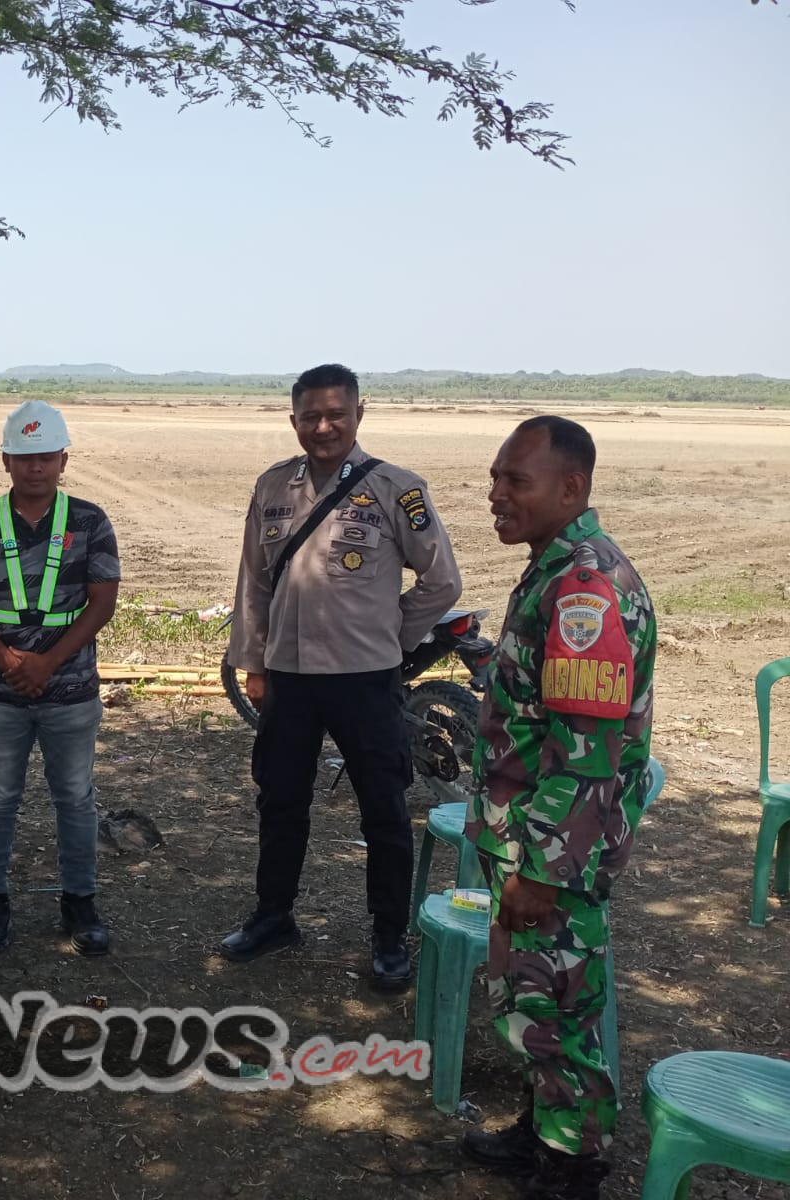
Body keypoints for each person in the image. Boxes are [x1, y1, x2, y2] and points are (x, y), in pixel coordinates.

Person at [460, 416, 656, 1200]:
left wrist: (538, 871)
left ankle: (571, 1170)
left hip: (553, 851)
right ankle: (543, 1130)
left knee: (561, 1008)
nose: (495, 495)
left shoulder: (584, 589)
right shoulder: (554, 566)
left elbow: (583, 759)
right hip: (533, 841)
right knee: (537, 1001)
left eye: (516, 481)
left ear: (570, 488)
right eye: (497, 477)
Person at [218, 363, 461, 989]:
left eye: (336, 414)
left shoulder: (395, 489)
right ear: (293, 419)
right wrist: (252, 663)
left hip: (365, 681)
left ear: (359, 414)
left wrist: (392, 639)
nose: (323, 427)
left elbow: (441, 582)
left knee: (382, 809)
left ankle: (388, 938)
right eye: (310, 416)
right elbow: (253, 583)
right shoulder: (273, 487)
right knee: (281, 801)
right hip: (289, 679)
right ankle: (273, 916)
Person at [0, 400, 120, 956]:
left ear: (63, 458)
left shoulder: (90, 521)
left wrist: (47, 662)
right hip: (0, 691)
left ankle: (80, 903)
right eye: (24, 457)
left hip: (71, 690)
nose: (36, 467)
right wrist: (6, 659)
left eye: (46, 456)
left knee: (74, 796)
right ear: (5, 460)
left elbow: (102, 603)